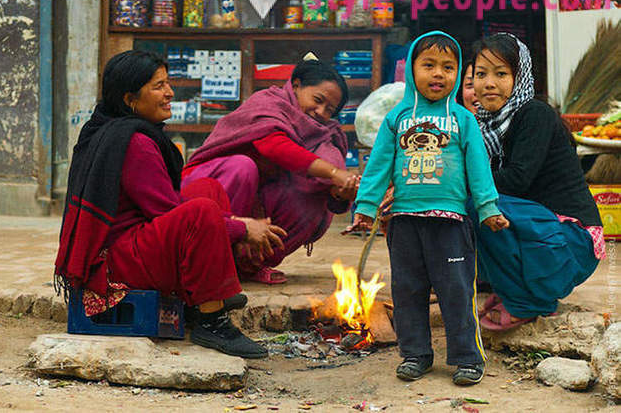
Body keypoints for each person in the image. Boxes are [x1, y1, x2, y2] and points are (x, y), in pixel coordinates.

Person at [54, 50, 285, 359]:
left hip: (130, 248)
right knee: (199, 212)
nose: (170, 93)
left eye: (168, 83)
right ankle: (211, 320)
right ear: (130, 99)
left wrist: (236, 224)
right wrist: (242, 228)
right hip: (113, 265)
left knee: (207, 190)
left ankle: (199, 295)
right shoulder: (134, 142)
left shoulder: (122, 129)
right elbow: (168, 213)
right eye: (158, 86)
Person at [351, 31, 509, 386]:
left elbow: (478, 168)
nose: (439, 74)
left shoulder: (463, 120)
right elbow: (379, 165)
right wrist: (365, 205)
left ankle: (468, 358)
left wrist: (488, 208)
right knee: (407, 291)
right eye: (429, 66)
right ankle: (415, 354)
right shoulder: (396, 118)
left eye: (448, 67)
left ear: (458, 74)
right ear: (410, 70)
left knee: (456, 289)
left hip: (450, 222)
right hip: (405, 221)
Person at [470, 33, 605, 331]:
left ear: (521, 78)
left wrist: (462, 182)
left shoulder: (534, 115)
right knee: (469, 203)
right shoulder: (486, 127)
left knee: (479, 202)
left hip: (573, 240)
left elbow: (516, 180)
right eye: (481, 74)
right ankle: (516, 291)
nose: (489, 83)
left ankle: (529, 302)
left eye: (501, 73)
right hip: (545, 232)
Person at [182, 58, 359, 284]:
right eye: (318, 100)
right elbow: (275, 147)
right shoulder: (268, 103)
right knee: (242, 167)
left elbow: (331, 192)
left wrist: (341, 190)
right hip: (207, 193)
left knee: (312, 199)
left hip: (257, 204)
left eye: (329, 110)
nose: (320, 112)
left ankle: (247, 266)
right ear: (296, 85)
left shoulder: (323, 133)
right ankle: (210, 259)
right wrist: (334, 173)